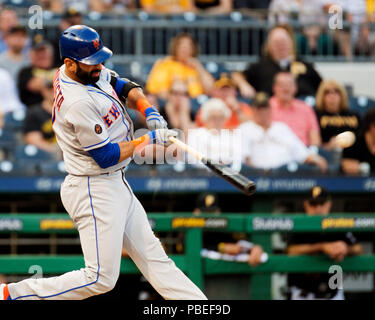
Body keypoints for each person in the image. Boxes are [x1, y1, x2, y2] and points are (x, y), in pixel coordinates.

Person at [0, 25, 207, 300]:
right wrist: (147, 139)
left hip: (115, 183)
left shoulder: (86, 72)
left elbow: (123, 85)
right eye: (92, 63)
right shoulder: (77, 102)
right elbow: (106, 155)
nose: (99, 66)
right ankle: (12, 295)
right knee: (99, 278)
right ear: (69, 64)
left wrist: (149, 110)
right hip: (93, 188)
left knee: (157, 261)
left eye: (100, 60)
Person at [286, 186, 363, 300]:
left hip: (333, 292)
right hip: (304, 293)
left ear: (329, 204)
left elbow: (358, 249)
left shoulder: (337, 223)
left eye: (321, 204)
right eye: (313, 204)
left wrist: (345, 248)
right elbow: (290, 251)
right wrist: (322, 247)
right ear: (306, 205)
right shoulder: (300, 224)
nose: (318, 209)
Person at [239, 92, 327, 172]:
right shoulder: (245, 129)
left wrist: (317, 159)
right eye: (258, 108)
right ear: (253, 110)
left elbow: (300, 151)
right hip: (256, 176)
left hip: (285, 175)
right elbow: (244, 159)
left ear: (270, 109)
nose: (262, 112)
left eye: (265, 108)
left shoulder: (281, 127)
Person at [232, 25, 322, 98]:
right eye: (277, 42)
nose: (281, 46)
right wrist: (243, 85)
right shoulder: (260, 66)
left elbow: (322, 86)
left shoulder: (305, 65)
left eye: (283, 42)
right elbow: (236, 75)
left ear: (291, 43)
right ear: (269, 46)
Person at [146, 33, 215, 99]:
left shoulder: (197, 66)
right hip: (172, 104)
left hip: (196, 104)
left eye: (188, 46)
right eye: (182, 46)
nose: (185, 49)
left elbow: (211, 89)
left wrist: (199, 67)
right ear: (175, 47)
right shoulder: (165, 64)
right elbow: (157, 90)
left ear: (193, 49)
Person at [187, 98, 242, 170]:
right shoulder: (195, 135)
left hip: (229, 175)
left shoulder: (232, 136)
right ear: (206, 118)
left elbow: (238, 160)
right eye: (213, 117)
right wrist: (217, 165)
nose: (217, 121)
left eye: (221, 117)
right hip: (204, 176)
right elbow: (193, 159)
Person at [270, 72, 322, 146]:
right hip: (275, 152)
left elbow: (315, 140)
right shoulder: (266, 108)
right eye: (282, 85)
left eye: (289, 84)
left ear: (295, 88)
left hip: (303, 154)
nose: (286, 88)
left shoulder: (306, 108)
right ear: (274, 87)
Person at [315, 80, 360, 150]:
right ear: (321, 96)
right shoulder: (316, 116)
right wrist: (327, 146)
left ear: (342, 95)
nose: (332, 96)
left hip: (353, 153)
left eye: (336, 91)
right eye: (327, 92)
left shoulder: (354, 115)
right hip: (327, 153)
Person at [17, 34, 57, 108]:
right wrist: (56, 78)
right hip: (36, 112)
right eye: (38, 52)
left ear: (51, 53)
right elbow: (35, 85)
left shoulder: (60, 66)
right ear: (31, 55)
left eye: (44, 51)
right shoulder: (26, 72)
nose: (42, 55)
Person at [23, 82, 61, 158]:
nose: (53, 91)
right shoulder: (34, 112)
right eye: (49, 89)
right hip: (50, 154)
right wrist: (56, 150)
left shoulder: (70, 110)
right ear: (43, 91)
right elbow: (33, 139)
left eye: (56, 88)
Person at [341, 109, 375, 175]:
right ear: (371, 126)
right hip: (355, 181)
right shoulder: (355, 141)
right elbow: (346, 165)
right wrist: (363, 167)